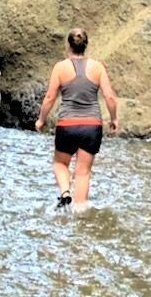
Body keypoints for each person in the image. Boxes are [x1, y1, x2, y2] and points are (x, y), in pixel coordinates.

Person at [35, 27, 119, 209]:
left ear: (68, 45)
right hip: (91, 127)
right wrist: (114, 119)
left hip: (67, 125)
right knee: (83, 173)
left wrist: (41, 120)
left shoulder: (60, 67)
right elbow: (110, 97)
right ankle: (81, 213)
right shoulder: (97, 67)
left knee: (59, 163)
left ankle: (65, 194)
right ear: (86, 45)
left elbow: (50, 97)